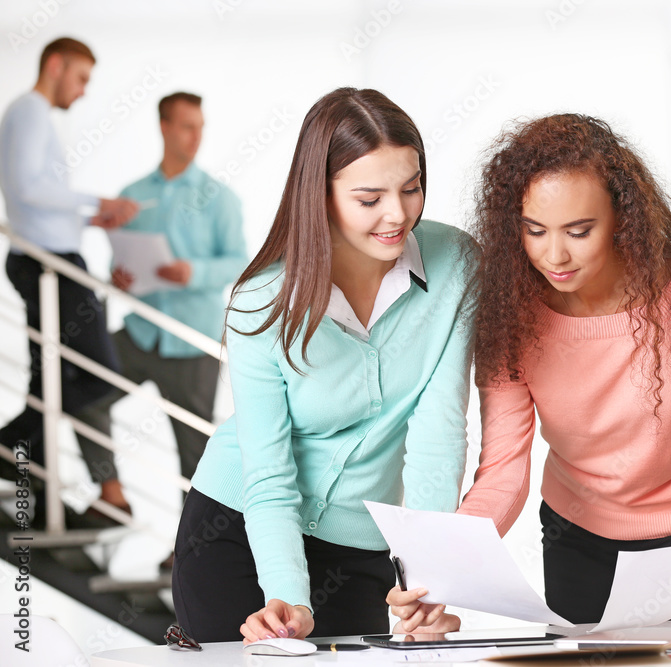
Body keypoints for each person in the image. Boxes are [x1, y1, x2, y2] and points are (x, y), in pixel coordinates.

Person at [390, 114, 671, 631]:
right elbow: (504, 473)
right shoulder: (509, 313)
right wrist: (444, 569)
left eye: (579, 231)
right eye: (535, 231)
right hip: (577, 540)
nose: (554, 255)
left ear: (623, 217)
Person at [170, 88, 476, 643]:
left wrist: (427, 578)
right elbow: (267, 471)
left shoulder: (457, 266)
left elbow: (440, 433)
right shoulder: (261, 303)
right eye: (369, 198)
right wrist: (287, 594)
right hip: (236, 527)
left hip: (359, 545)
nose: (398, 214)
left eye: (412, 188)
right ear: (321, 195)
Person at [78, 92, 246, 517]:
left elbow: (240, 261)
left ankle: (185, 553)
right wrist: (118, 277)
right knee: (80, 393)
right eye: (187, 126)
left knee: (196, 458)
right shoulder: (132, 195)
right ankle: (110, 492)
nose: (196, 136)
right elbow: (122, 260)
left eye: (200, 127)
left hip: (193, 343)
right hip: (142, 331)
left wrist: (193, 272)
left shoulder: (219, 197)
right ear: (164, 127)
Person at [0, 37, 139, 521]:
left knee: (52, 378)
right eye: (80, 77)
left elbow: (36, 200)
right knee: (97, 373)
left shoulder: (32, 114)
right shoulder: (30, 111)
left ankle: (34, 496)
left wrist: (87, 221)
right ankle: (8, 446)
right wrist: (95, 203)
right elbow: (26, 188)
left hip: (49, 254)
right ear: (54, 65)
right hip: (48, 265)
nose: (82, 92)